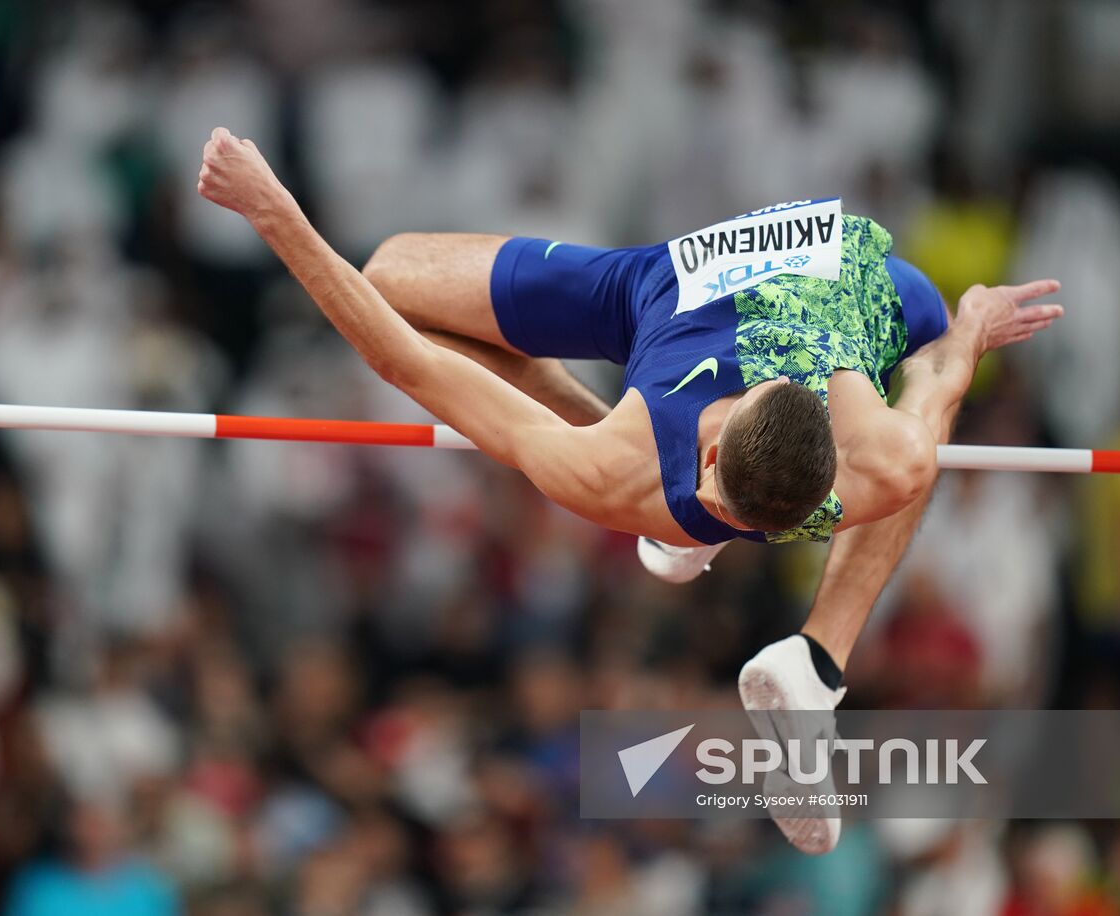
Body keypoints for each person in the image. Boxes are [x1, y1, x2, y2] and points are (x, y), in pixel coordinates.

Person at [194, 127, 1063, 853]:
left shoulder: (617, 468)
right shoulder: (882, 456)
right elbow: (943, 371)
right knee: (394, 278)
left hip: (693, 292)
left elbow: (399, 359)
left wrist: (273, 209)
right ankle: (814, 658)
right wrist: (977, 323)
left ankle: (808, 652)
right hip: (711, 284)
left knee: (387, 286)